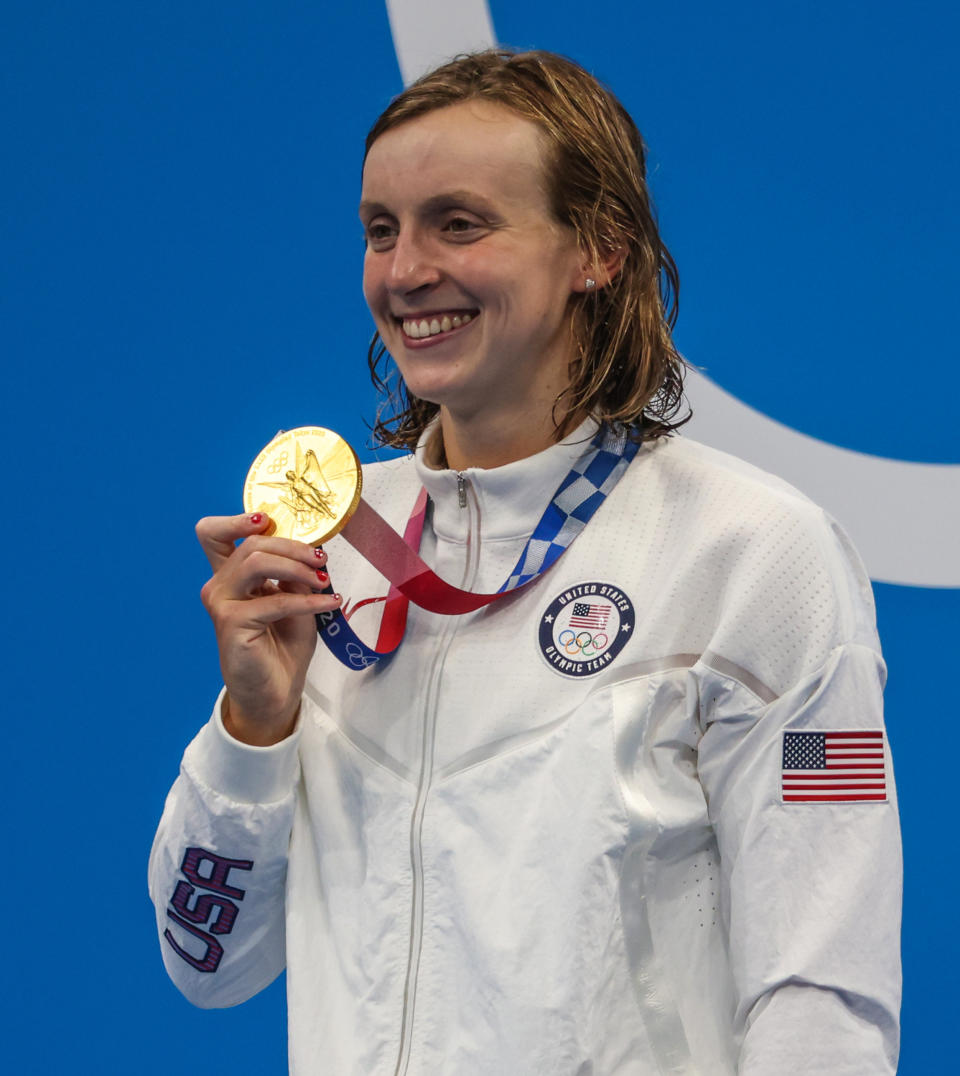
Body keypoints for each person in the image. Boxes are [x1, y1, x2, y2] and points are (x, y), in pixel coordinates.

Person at [149, 49, 902, 1075]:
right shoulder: (331, 549)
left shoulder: (758, 551)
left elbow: (826, 988)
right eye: (381, 229)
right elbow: (208, 959)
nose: (406, 269)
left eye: (460, 223)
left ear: (597, 249)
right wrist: (254, 724)